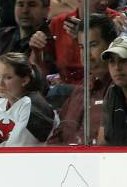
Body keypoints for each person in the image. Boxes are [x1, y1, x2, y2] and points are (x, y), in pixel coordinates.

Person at [48, 14, 117, 145]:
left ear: (111, 45)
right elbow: (56, 138)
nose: (86, 55)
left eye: (93, 45)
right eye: (82, 47)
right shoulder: (81, 89)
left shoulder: (121, 90)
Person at [0, 52, 58, 147]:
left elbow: (17, 149)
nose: (0, 83)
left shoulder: (34, 106)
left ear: (24, 80)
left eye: (8, 77)